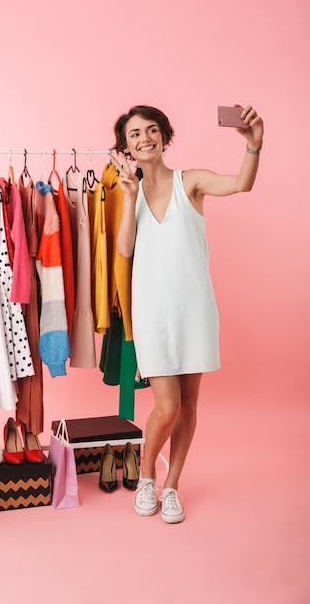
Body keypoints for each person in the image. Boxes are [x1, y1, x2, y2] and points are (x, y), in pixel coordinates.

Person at [110, 104, 264, 524]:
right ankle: (146, 477)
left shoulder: (189, 182)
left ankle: (171, 485)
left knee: (191, 405)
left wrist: (253, 146)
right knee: (167, 406)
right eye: (135, 134)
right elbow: (124, 249)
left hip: (194, 309)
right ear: (125, 146)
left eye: (152, 130)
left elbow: (240, 184)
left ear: (164, 136)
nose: (145, 138)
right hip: (152, 314)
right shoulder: (130, 191)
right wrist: (128, 197)